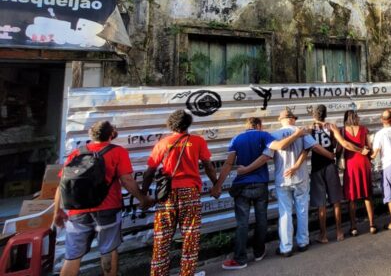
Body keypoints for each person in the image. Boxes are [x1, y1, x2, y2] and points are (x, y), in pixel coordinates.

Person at [53, 121, 154, 276]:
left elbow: (62, 184)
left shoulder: (77, 153)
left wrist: (57, 211)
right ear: (111, 134)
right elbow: (127, 180)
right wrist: (142, 198)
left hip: (76, 211)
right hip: (107, 209)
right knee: (108, 250)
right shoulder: (117, 152)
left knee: (72, 256)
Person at [211, 117, 296, 270]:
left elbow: (229, 163)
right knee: (261, 219)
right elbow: (277, 147)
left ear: (247, 126)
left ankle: (240, 259)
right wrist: (297, 133)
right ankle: (259, 252)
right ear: (258, 125)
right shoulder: (263, 135)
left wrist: (217, 186)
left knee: (242, 223)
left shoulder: (236, 139)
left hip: (241, 186)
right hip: (260, 185)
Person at [141, 110, 218, 276]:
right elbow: (208, 166)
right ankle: (187, 273)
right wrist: (216, 185)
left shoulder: (163, 143)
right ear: (188, 124)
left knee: (162, 238)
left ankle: (159, 273)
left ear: (171, 124)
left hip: (166, 194)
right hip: (190, 193)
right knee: (190, 235)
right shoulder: (198, 141)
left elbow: (149, 172)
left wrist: (143, 195)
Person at [267, 108, 316, 257]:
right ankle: (303, 242)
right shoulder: (302, 132)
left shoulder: (274, 135)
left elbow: (268, 154)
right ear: (293, 119)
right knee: (302, 210)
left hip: (282, 179)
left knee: (285, 213)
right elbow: (308, 150)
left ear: (281, 120)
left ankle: (286, 247)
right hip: (300, 177)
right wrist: (296, 166)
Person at [329, 110, 377, 235]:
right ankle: (372, 225)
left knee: (352, 198)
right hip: (363, 163)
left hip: (351, 164)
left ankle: (354, 227)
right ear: (355, 117)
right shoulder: (364, 129)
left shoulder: (342, 131)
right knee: (367, 195)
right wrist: (366, 151)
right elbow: (369, 147)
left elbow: (340, 147)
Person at [308, 105, 344, 243]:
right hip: (330, 165)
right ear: (325, 114)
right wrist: (336, 155)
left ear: (314, 115)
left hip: (317, 167)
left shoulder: (311, 129)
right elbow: (339, 144)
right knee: (336, 201)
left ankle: (323, 235)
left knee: (321, 203)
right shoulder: (331, 127)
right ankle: (339, 232)